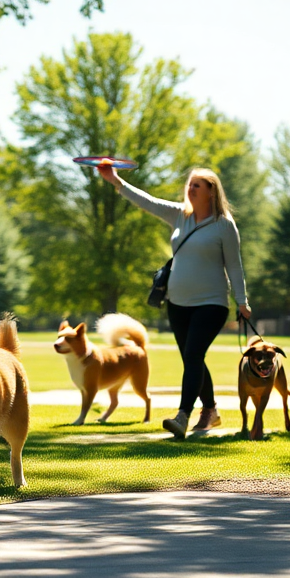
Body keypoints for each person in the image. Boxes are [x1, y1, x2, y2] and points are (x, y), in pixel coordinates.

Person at [97, 165, 250, 438]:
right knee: (193, 358)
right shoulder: (180, 216)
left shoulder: (224, 225)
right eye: (189, 185)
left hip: (211, 304)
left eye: (196, 186)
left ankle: (182, 416)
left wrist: (242, 301)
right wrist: (116, 181)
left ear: (211, 192)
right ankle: (211, 411)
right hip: (177, 303)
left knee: (192, 356)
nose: (190, 190)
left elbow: (235, 267)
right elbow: (148, 202)